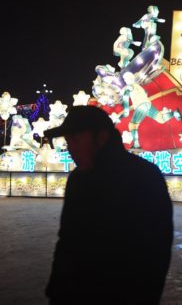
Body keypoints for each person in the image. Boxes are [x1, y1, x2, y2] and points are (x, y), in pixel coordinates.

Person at [44, 106, 173, 305]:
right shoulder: (78, 180)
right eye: (68, 141)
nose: (71, 148)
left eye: (76, 140)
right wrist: (56, 292)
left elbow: (155, 252)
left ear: (101, 138)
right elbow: (67, 241)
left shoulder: (144, 177)